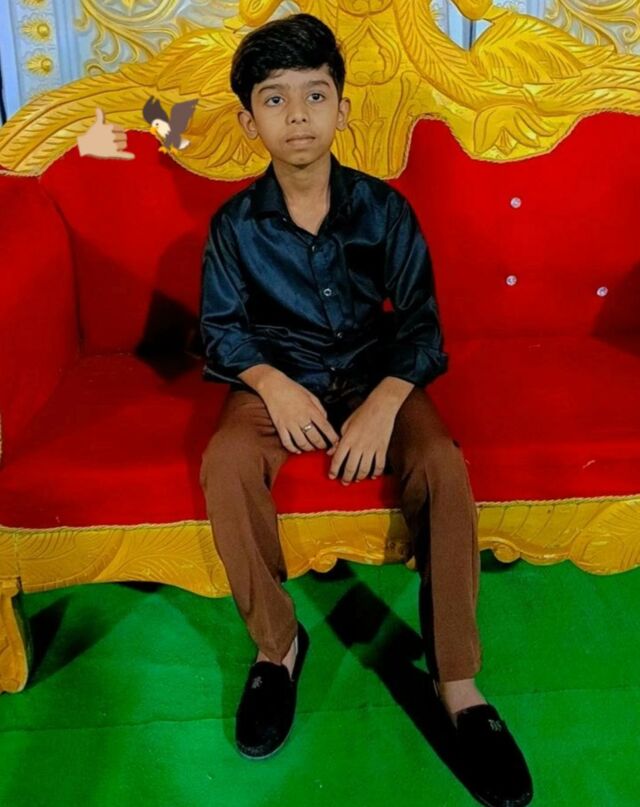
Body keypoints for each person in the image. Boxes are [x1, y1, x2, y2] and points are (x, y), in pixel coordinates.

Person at [199, 13, 532, 806]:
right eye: (275, 100)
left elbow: (421, 326)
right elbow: (220, 331)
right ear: (249, 122)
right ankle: (277, 649)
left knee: (442, 461)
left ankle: (458, 682)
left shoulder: (385, 210)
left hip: (374, 372)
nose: (298, 115)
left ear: (344, 109)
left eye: (316, 95)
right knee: (225, 460)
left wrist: (386, 400)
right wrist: (272, 382)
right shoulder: (234, 227)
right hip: (278, 377)